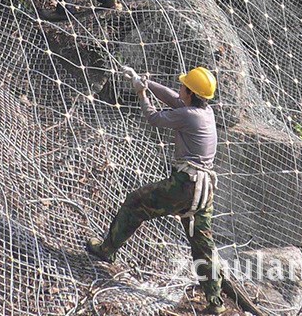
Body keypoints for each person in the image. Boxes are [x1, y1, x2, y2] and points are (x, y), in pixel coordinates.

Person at [86, 66, 225, 315]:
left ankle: (106, 250)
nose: (180, 88)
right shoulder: (206, 112)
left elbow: (154, 118)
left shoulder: (190, 116)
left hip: (186, 184)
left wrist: (141, 94)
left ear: (192, 93)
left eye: (184, 86)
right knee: (203, 244)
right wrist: (145, 82)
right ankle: (216, 302)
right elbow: (174, 98)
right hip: (204, 191)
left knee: (135, 203)